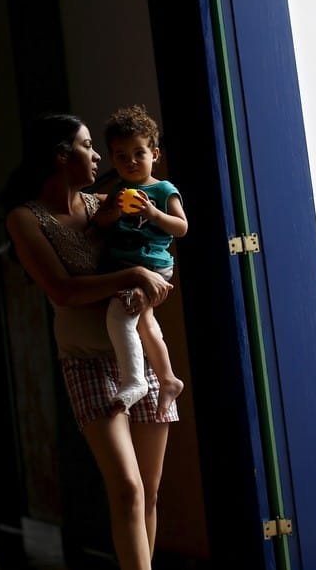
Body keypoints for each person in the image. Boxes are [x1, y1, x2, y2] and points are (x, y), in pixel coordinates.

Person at [3, 113, 178, 570]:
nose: (99, 156)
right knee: (128, 489)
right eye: (87, 146)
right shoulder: (25, 219)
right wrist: (133, 274)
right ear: (62, 155)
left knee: (150, 492)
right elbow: (62, 291)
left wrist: (152, 270)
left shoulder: (108, 203)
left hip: (139, 357)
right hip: (86, 360)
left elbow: (160, 246)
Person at [91, 105, 187, 418]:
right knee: (145, 323)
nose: (131, 162)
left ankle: (135, 381)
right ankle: (168, 379)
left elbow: (181, 227)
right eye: (121, 156)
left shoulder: (163, 190)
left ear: (154, 154)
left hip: (153, 266)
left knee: (119, 317)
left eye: (138, 153)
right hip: (127, 269)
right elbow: (100, 222)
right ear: (112, 159)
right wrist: (115, 212)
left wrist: (153, 213)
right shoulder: (119, 191)